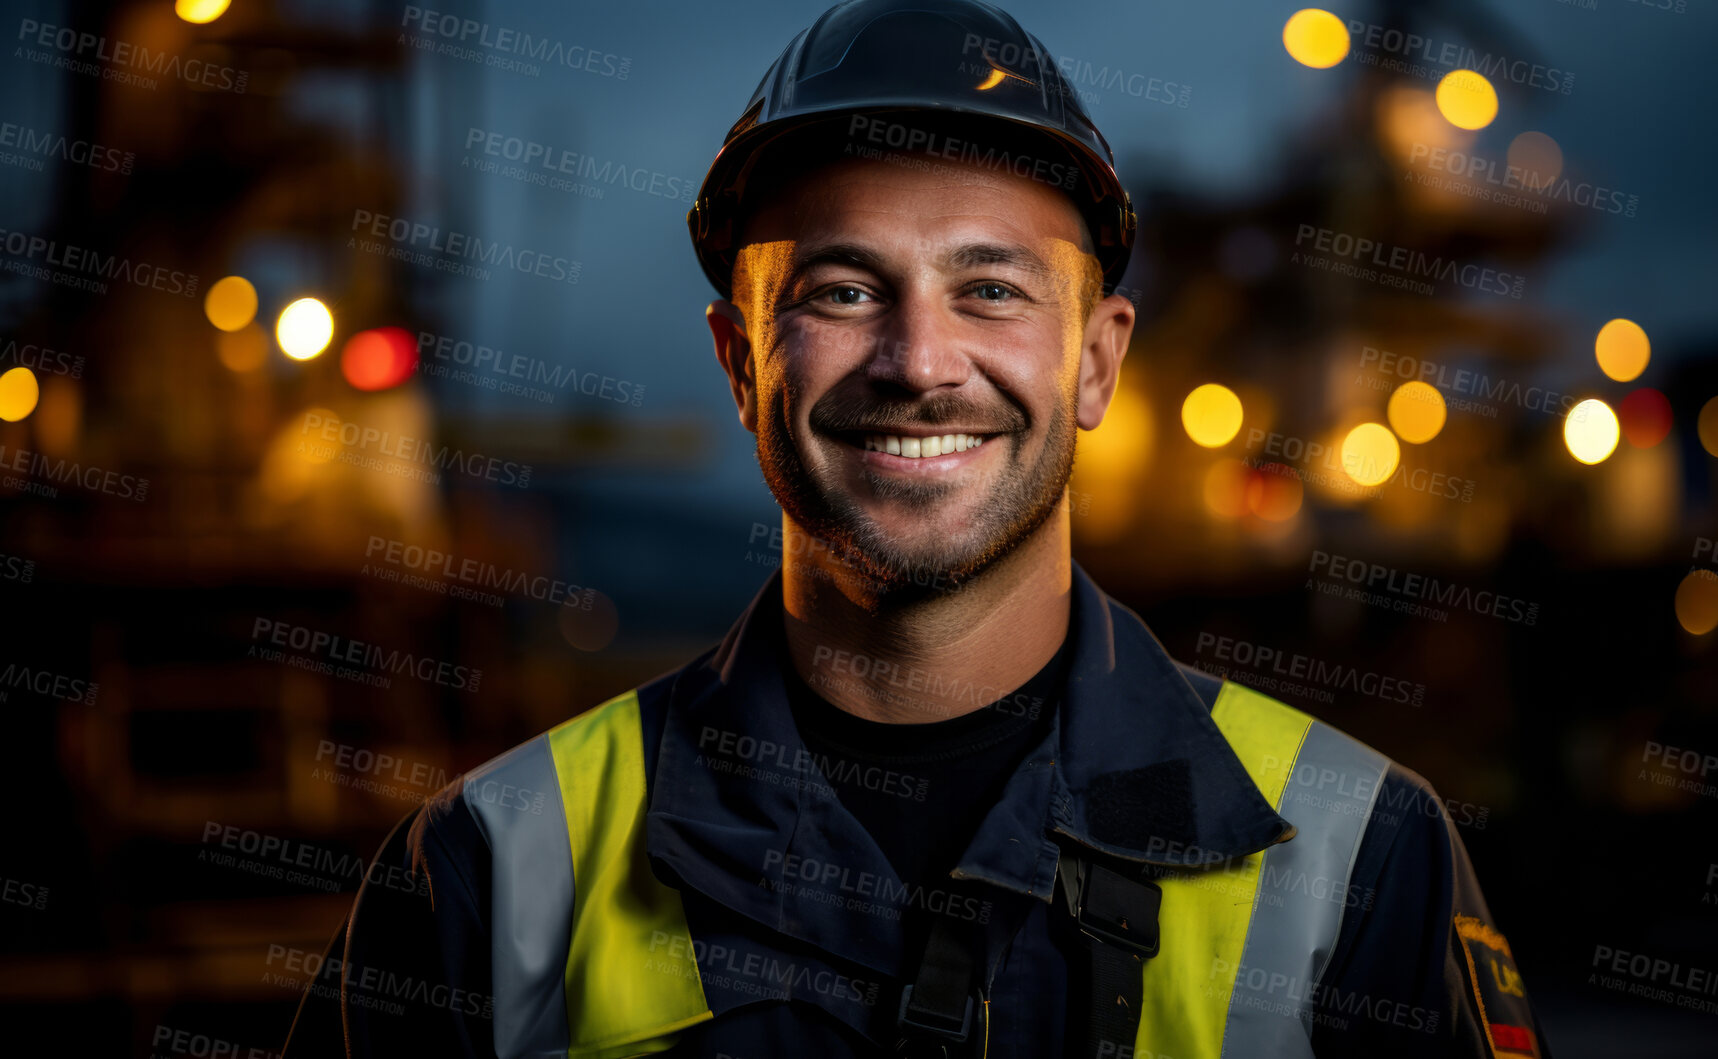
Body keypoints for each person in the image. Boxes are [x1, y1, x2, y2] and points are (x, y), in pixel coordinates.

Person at [283, 2, 1549, 1056]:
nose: (918, 361)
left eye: (988, 289)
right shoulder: (481, 875)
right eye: (843, 290)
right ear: (738, 363)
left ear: (1098, 361)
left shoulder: (1358, 859)